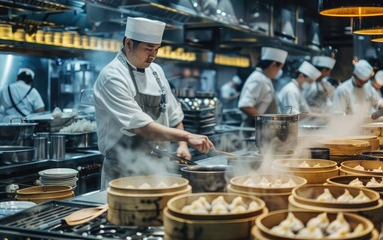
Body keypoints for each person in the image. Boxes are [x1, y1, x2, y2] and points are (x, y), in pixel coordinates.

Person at [93, 17, 214, 187]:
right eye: (148, 49)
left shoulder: (156, 72)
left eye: (156, 49)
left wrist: (182, 146)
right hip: (123, 173)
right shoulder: (112, 76)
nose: (153, 55)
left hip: (157, 168)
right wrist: (187, 137)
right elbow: (142, 126)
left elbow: (173, 113)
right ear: (129, 44)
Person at [238, 47, 288, 127]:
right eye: (280, 68)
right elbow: (245, 105)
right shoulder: (258, 79)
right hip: (253, 130)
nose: (279, 71)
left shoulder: (265, 78)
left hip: (261, 129)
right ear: (273, 65)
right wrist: (265, 122)